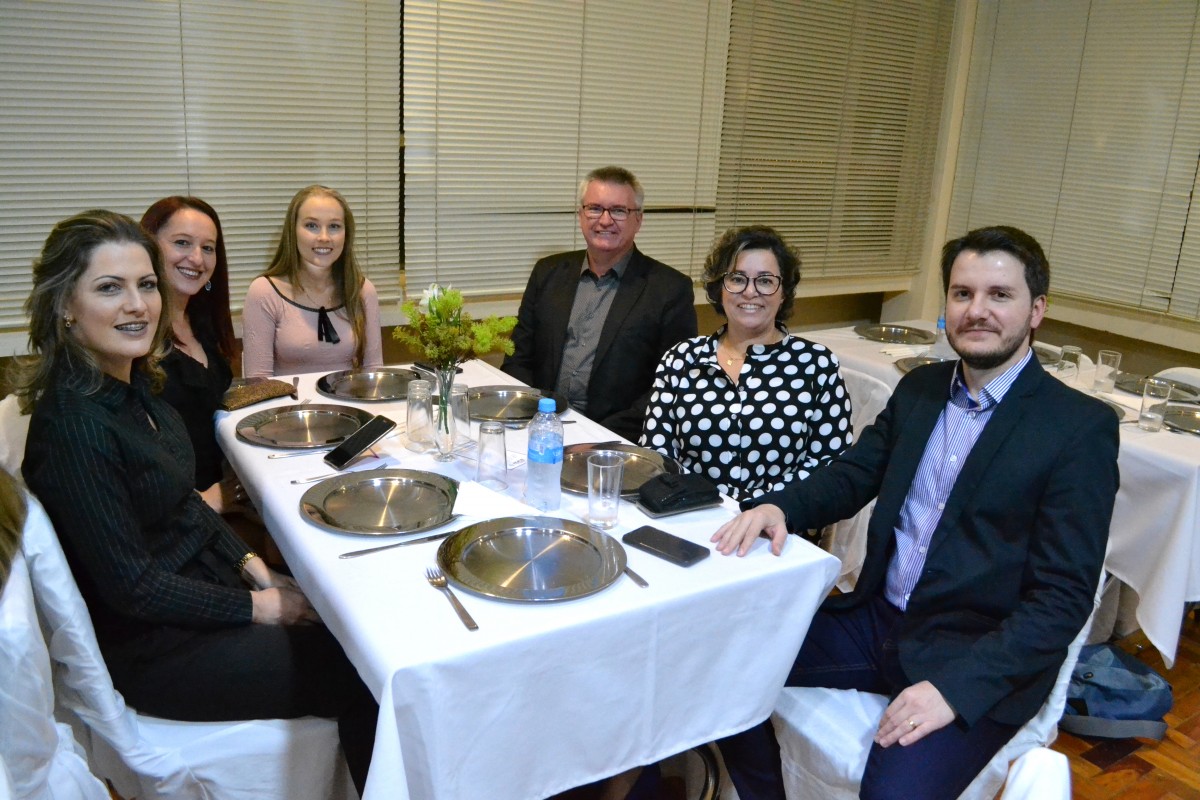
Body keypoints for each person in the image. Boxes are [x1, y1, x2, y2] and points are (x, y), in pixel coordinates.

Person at [711, 225, 1119, 800]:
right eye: (962, 293)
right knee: (724, 671)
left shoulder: (1077, 428)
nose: (977, 310)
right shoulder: (922, 388)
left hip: (972, 653)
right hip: (877, 621)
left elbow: (1062, 599)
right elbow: (855, 474)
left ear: (1036, 310)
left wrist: (955, 689)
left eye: (999, 295)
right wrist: (779, 506)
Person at [19, 210, 377, 793]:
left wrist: (256, 569)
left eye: (145, 284)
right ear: (65, 306)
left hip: (201, 595)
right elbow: (134, 587)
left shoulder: (129, 386)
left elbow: (184, 505)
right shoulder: (74, 426)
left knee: (352, 614)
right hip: (159, 649)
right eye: (109, 288)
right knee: (364, 669)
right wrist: (261, 608)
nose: (137, 305)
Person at [640, 226, 853, 500]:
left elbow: (830, 465)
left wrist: (764, 508)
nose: (750, 292)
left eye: (765, 281)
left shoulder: (816, 365)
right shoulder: (681, 359)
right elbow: (657, 456)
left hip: (782, 519)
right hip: (691, 513)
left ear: (783, 292)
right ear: (720, 288)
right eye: (737, 279)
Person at [502, 166, 697, 441]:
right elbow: (518, 357)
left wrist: (597, 437)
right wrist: (528, 418)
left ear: (638, 219)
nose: (605, 220)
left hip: (613, 440)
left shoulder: (669, 289)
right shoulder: (548, 272)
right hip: (539, 427)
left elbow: (670, 385)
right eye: (595, 208)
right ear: (581, 214)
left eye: (618, 211)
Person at [140, 197, 243, 511]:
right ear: (148, 247)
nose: (197, 259)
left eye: (208, 248)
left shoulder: (202, 322)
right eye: (182, 243)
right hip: (181, 512)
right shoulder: (135, 335)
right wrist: (210, 500)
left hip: (229, 492)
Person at [241, 185, 383, 377]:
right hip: (288, 398)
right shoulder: (264, 292)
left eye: (334, 226)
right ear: (293, 231)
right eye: (311, 226)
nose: (324, 237)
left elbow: (374, 373)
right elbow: (258, 383)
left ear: (346, 234)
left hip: (349, 397)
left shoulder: (363, 291)